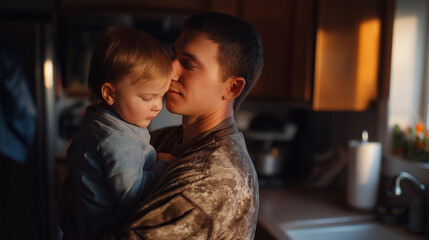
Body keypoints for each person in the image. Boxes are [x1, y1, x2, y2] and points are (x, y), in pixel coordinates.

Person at [113, 12, 264, 239]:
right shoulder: (165, 138)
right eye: (173, 56)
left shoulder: (211, 177)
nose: (169, 71)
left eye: (189, 64)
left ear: (232, 88)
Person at [64, 25, 175, 240]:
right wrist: (164, 165)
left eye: (161, 96)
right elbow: (133, 197)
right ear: (109, 93)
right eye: (147, 97)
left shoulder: (98, 120)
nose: (157, 106)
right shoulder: (118, 140)